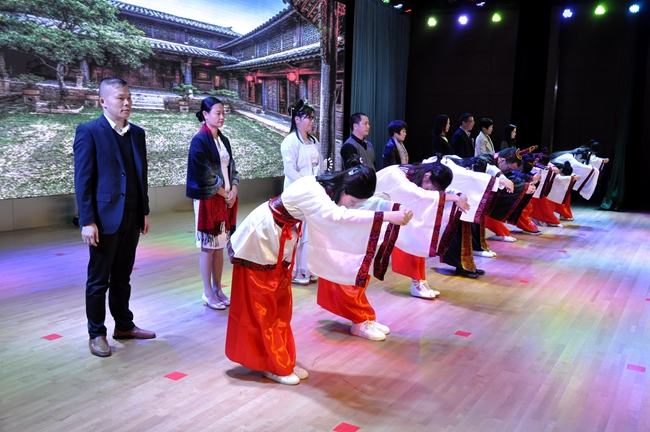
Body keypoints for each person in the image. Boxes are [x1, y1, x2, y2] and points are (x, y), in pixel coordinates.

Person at [225, 165, 412, 385]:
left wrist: (389, 209)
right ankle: (271, 363)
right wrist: (387, 215)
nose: (350, 206)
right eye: (352, 202)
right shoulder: (316, 192)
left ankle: (280, 360)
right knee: (264, 305)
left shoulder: (325, 187)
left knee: (279, 303)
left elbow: (349, 208)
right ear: (344, 189)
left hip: (278, 235)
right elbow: (338, 216)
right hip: (263, 238)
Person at [74, 77, 155, 358]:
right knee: (99, 279)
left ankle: (124, 325)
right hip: (103, 218)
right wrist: (87, 220)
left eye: (129, 97)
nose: (127, 102)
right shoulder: (89, 131)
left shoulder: (137, 133)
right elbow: (83, 180)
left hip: (132, 215)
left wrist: (144, 211)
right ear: (103, 101)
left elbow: (141, 176)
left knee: (123, 276)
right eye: (120, 98)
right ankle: (96, 332)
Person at [186, 96, 239, 311]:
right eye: (218, 113)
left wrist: (234, 188)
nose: (222, 117)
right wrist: (224, 193)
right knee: (208, 247)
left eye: (223, 113)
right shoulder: (199, 140)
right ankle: (207, 292)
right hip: (208, 200)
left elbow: (232, 167)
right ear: (205, 115)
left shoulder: (223, 139)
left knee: (220, 247)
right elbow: (204, 175)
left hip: (225, 198)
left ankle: (218, 289)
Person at [280, 99, 322, 285]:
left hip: (312, 190)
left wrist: (317, 182)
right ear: (297, 119)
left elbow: (318, 164)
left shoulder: (313, 140)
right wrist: (307, 185)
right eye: (308, 118)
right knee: (298, 231)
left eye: (313, 118)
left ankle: (309, 268)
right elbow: (290, 170)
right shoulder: (290, 141)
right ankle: (297, 271)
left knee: (311, 231)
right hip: (297, 191)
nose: (312, 121)